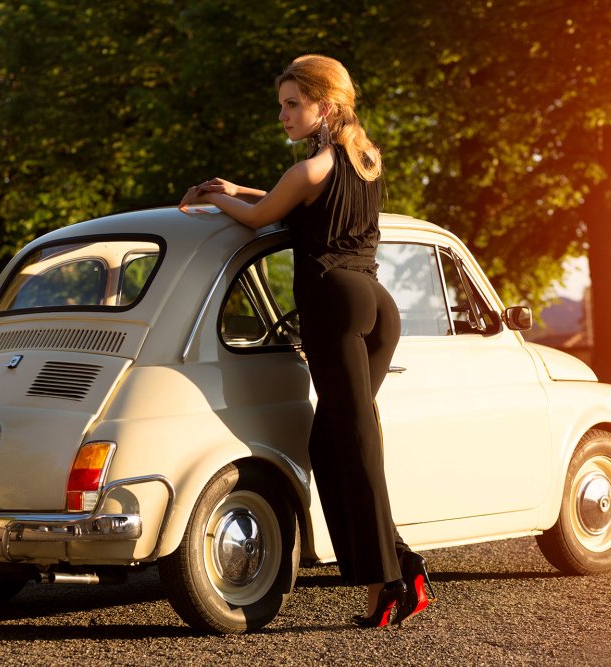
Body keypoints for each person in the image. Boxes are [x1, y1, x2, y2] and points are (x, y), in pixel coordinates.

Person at [179, 54, 437, 628]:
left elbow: (259, 217)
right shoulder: (365, 158)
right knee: (332, 444)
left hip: (333, 305)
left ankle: (391, 578)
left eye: (293, 104)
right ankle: (396, 567)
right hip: (377, 306)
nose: (284, 115)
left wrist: (215, 198)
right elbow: (287, 199)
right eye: (282, 105)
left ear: (327, 104)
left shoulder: (310, 169)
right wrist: (238, 188)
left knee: (356, 445)